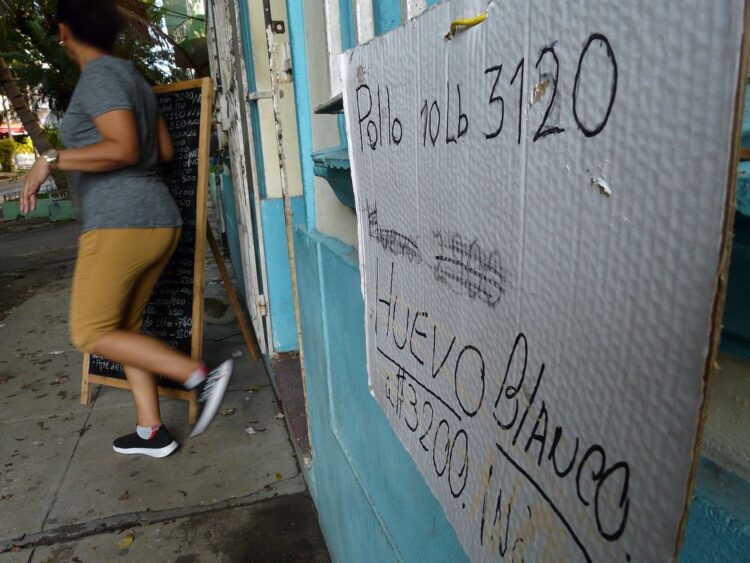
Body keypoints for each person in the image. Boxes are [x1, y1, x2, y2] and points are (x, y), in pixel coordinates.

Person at [20, 0, 231, 458]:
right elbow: (165, 149)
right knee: (125, 327)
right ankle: (152, 431)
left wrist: (52, 159)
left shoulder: (99, 77)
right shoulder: (130, 75)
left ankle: (198, 373)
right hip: (157, 220)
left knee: (88, 331)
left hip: (122, 223)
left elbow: (124, 148)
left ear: (63, 32)